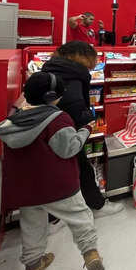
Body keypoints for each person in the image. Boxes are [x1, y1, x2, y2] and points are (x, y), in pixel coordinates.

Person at [0, 72, 104, 270]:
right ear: (52, 96)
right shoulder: (57, 119)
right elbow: (68, 148)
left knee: (32, 225)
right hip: (58, 185)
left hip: (25, 189)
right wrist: (85, 130)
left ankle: (33, 265)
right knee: (80, 218)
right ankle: (91, 255)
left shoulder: (12, 121)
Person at [43, 41, 123, 218]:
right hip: (66, 133)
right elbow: (74, 107)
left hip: (47, 133)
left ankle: (53, 216)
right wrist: (87, 119)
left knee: (62, 172)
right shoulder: (73, 76)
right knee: (82, 169)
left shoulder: (51, 67)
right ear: (84, 58)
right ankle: (96, 206)